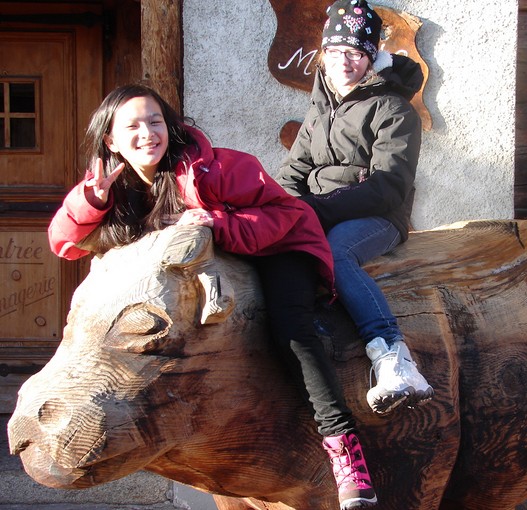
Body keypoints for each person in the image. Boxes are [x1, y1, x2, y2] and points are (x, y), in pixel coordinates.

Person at [48, 83, 377, 510]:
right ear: (110, 140)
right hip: (221, 264)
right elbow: (63, 243)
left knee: (292, 330)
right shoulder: (111, 189)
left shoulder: (211, 168)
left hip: (277, 247)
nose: (147, 133)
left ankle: (344, 448)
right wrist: (90, 201)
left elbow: (284, 213)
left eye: (155, 121)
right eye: (132, 126)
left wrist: (215, 223)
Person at [276, 0, 434, 417]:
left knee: (336, 253)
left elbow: (389, 186)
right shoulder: (319, 110)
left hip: (378, 216)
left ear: (370, 58)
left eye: (355, 52)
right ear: (323, 54)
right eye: (335, 51)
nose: (343, 61)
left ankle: (394, 358)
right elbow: (293, 172)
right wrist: (280, 211)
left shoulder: (394, 109)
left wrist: (315, 210)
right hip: (319, 210)